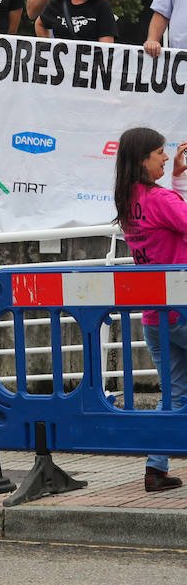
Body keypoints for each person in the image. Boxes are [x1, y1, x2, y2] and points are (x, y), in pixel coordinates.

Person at [112, 126, 187, 493]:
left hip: (155, 316)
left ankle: (156, 469)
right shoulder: (162, 200)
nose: (164, 156)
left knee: (174, 394)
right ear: (143, 159)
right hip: (183, 312)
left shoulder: (128, 200)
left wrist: (176, 177)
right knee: (176, 394)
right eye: (159, 152)